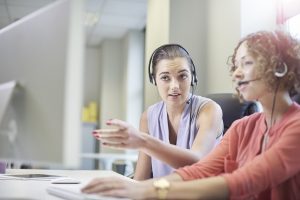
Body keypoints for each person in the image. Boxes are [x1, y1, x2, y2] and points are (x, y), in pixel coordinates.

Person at [82, 30, 300, 199]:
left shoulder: (296, 127)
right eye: (236, 65)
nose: (236, 73)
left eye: (247, 63)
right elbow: (199, 171)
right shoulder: (242, 128)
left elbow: (244, 181)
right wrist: (132, 188)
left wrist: (147, 191)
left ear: (278, 68)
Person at [93, 44, 223, 180]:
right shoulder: (148, 117)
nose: (175, 86)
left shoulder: (209, 110)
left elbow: (197, 162)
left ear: (192, 77)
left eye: (182, 76)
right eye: (165, 78)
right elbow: (140, 180)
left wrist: (143, 141)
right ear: (154, 79)